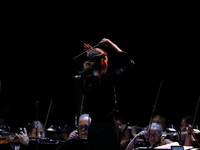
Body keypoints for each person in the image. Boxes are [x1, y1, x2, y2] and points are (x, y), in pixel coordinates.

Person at [80, 38, 135, 150]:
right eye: (107, 61)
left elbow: (90, 70)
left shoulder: (84, 81)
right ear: (102, 62)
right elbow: (130, 63)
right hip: (107, 128)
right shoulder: (107, 79)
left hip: (93, 129)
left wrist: (92, 55)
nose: (108, 64)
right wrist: (113, 45)